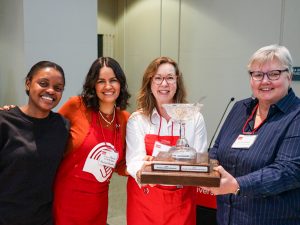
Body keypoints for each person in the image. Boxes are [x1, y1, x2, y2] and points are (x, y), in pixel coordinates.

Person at [202, 44, 300, 225]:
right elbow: (217, 149)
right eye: (257, 74)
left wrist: (237, 185)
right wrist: (208, 171)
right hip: (227, 218)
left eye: (274, 74)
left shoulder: (296, 115)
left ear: (289, 75)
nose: (265, 81)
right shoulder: (241, 108)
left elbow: (289, 170)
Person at [126, 56, 207, 225]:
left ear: (177, 82)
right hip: (145, 200)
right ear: (149, 83)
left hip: (181, 200)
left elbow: (200, 160)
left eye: (170, 78)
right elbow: (134, 162)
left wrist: (155, 164)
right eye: (158, 78)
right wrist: (143, 170)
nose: (164, 84)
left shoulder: (195, 118)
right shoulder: (138, 120)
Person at [53, 57, 131, 225]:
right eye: (101, 81)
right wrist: (18, 115)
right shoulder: (76, 106)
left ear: (121, 84)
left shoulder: (124, 118)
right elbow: (47, 129)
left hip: (98, 203)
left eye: (113, 80)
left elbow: (120, 163)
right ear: (93, 85)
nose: (108, 86)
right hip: (67, 200)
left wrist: (143, 167)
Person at [0, 61, 69, 225]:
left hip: (44, 218)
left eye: (58, 88)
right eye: (43, 83)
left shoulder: (63, 125)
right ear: (28, 83)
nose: (51, 91)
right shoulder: (4, 122)